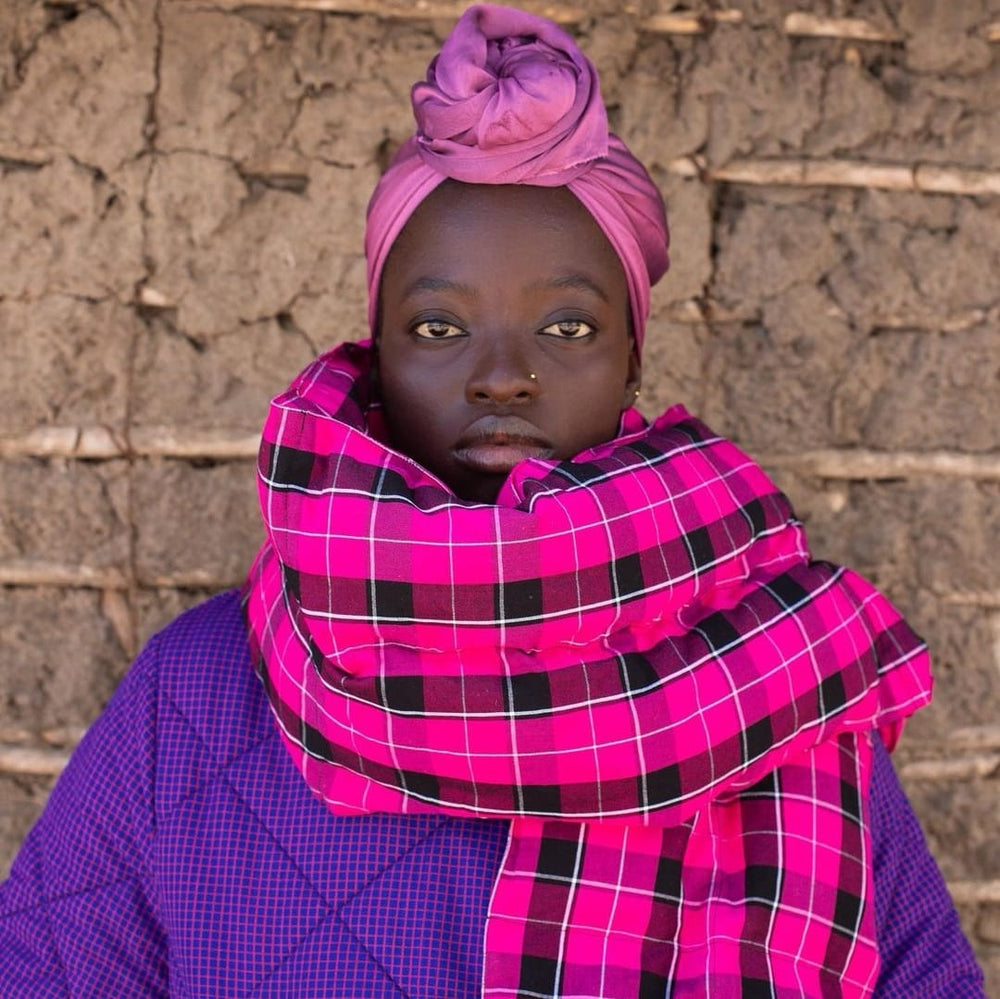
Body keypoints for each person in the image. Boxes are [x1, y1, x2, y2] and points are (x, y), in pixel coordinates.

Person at [0, 5, 986, 997]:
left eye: (565, 326)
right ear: (376, 356)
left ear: (632, 357)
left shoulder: (777, 683)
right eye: (437, 327)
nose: (503, 375)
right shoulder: (203, 693)